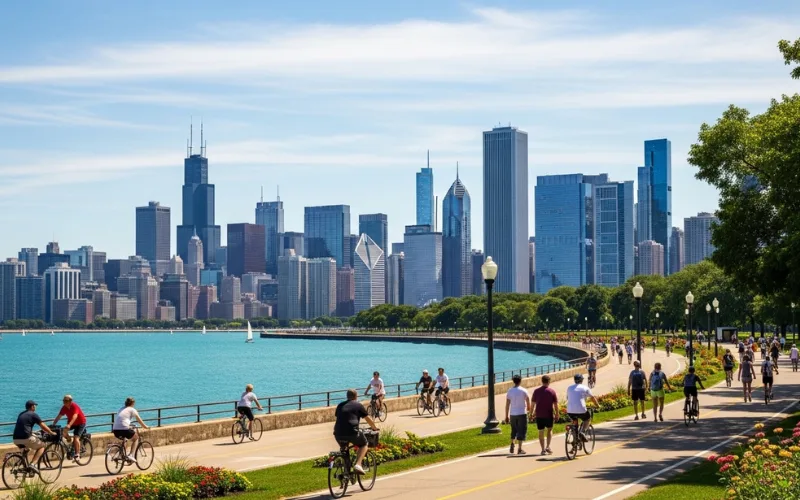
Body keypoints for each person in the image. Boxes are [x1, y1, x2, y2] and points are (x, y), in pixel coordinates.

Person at [333, 389, 379, 475]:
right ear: (356, 396)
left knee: (344, 449)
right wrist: (374, 428)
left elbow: (340, 417)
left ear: (347, 396)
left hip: (338, 433)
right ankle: (358, 465)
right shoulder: (358, 405)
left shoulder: (340, 405)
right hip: (352, 432)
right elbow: (367, 419)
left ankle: (346, 472)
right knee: (364, 444)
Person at [13, 401, 55, 472]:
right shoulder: (33, 415)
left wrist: (32, 432)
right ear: (32, 407)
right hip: (26, 438)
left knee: (26, 449)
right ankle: (32, 464)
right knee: (42, 446)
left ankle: (24, 466)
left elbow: (24, 426)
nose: (35, 407)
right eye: (35, 406)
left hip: (15, 439)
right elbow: (43, 426)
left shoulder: (21, 414)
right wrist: (51, 432)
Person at [112, 397, 149, 462]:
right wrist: (146, 427)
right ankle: (131, 455)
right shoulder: (132, 409)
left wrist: (129, 426)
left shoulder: (121, 408)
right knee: (136, 438)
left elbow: (122, 419)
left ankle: (121, 455)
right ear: (133, 403)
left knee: (125, 439)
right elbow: (139, 421)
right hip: (124, 428)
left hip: (115, 430)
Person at [53, 394, 87, 461]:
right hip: (72, 423)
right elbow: (59, 416)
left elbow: (75, 416)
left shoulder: (74, 406)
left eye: (66, 401)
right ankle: (69, 439)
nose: (64, 402)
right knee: (63, 431)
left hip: (80, 423)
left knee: (76, 437)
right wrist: (53, 424)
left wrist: (69, 425)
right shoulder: (64, 408)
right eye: (63, 401)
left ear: (70, 401)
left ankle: (77, 454)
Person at [530, 375, 559, 455]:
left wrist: (531, 414)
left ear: (542, 381)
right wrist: (557, 414)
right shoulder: (552, 391)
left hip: (539, 415)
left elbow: (532, 404)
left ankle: (543, 449)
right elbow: (556, 405)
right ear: (549, 382)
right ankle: (548, 446)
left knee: (541, 431)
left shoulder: (536, 391)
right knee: (549, 430)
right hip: (548, 415)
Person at [566, 374, 599, 442]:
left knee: (575, 424)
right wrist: (597, 405)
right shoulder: (585, 388)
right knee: (587, 419)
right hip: (581, 409)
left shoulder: (569, 388)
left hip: (570, 410)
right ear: (582, 380)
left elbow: (568, 398)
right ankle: (583, 432)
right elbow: (592, 397)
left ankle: (575, 441)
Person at [504, 374, 530, 455]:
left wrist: (506, 416)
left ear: (513, 381)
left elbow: (507, 404)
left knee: (513, 430)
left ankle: (512, 443)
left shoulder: (510, 391)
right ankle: (520, 448)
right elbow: (528, 401)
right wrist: (529, 409)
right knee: (521, 430)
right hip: (522, 413)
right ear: (520, 381)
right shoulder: (524, 390)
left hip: (513, 414)